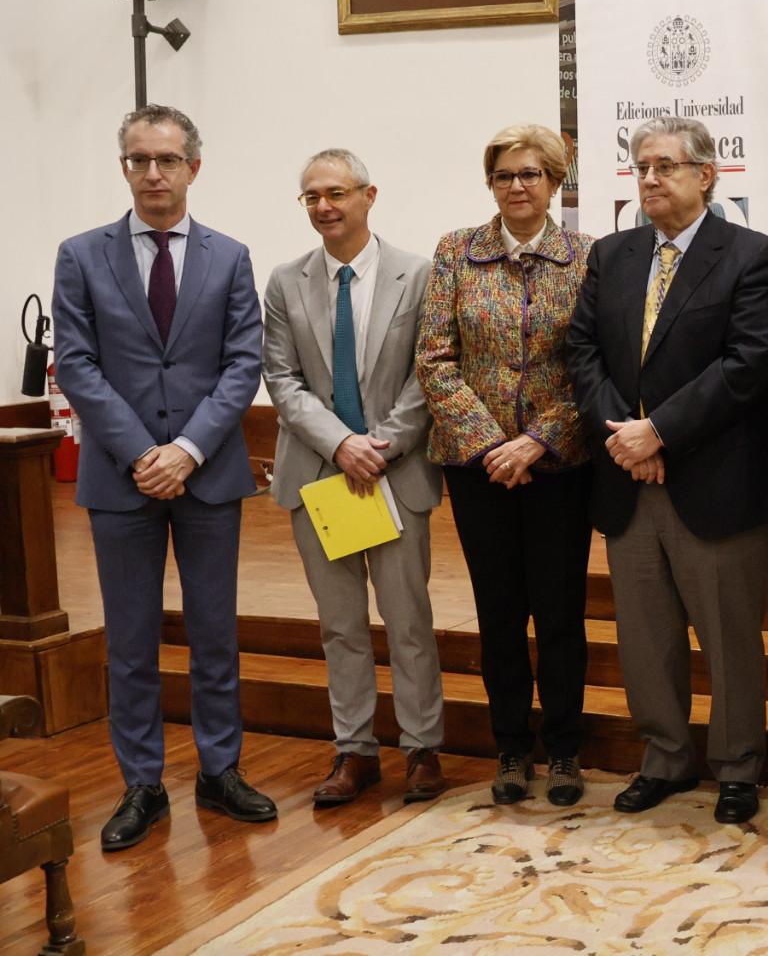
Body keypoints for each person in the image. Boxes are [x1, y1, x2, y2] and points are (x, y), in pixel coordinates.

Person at [51, 104, 275, 850]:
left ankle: (221, 771)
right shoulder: (82, 255)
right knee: (131, 641)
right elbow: (77, 364)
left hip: (208, 478)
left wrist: (188, 451)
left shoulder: (229, 255)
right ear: (125, 169)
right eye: (139, 160)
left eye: (167, 160)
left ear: (193, 168)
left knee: (215, 636)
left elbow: (244, 363)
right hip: (121, 480)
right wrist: (143, 452)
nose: (153, 173)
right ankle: (142, 785)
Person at [567, 116, 768, 825]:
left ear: (706, 175)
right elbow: (583, 354)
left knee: (728, 639)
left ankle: (735, 767)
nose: (652, 179)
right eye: (642, 167)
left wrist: (658, 432)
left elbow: (747, 363)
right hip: (627, 480)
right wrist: (624, 438)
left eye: (666, 166)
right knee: (645, 636)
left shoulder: (751, 255)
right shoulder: (613, 253)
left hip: (716, 480)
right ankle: (663, 757)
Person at [263, 148, 447, 807]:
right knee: (339, 625)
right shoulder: (287, 282)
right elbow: (281, 380)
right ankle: (355, 751)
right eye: (311, 196)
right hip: (319, 477)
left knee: (408, 621)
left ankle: (422, 748)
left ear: (370, 195)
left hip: (395, 476)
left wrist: (384, 443)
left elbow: (430, 373)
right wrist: (341, 445)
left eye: (336, 193)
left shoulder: (418, 275)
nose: (324, 207)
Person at [416, 124, 593, 807]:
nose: (517, 186)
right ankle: (512, 748)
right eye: (504, 176)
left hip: (559, 467)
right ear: (490, 184)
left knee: (559, 612)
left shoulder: (585, 256)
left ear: (554, 182)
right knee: (498, 613)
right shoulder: (456, 252)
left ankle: (567, 750)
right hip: (477, 468)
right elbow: (434, 357)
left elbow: (593, 365)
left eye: (531, 174)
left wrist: (539, 441)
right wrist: (493, 444)